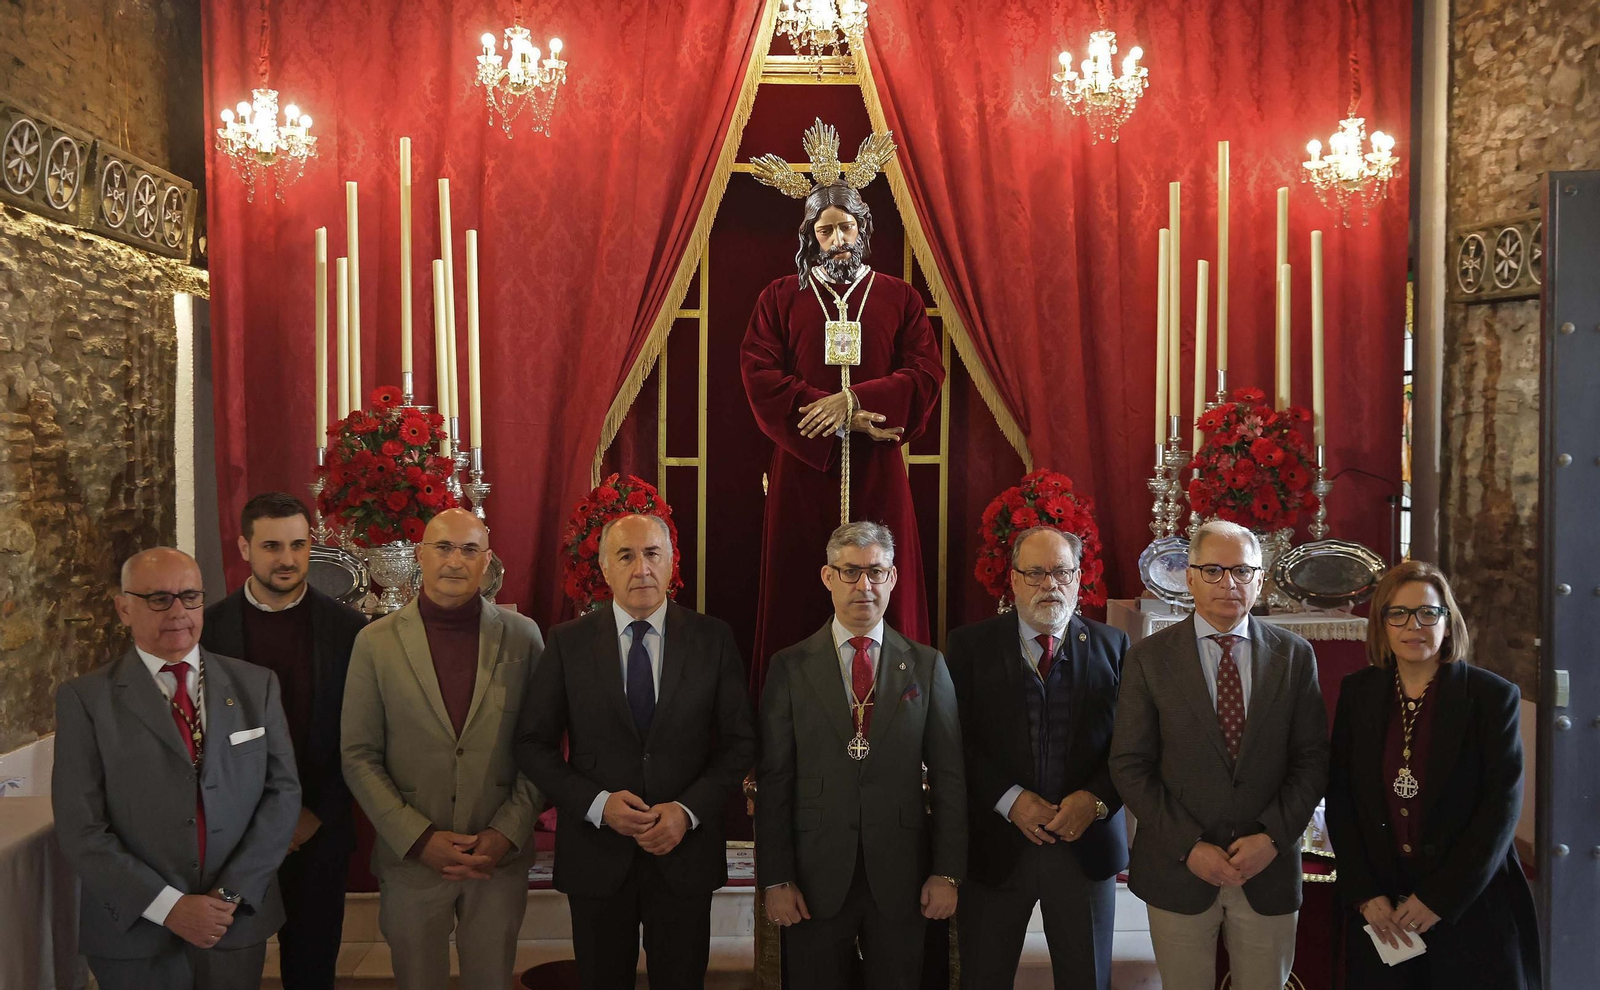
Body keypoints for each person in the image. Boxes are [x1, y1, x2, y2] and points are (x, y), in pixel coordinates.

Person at [742, 120, 945, 693]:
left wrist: (855, 401)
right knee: (799, 591)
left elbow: (926, 372)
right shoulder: (781, 298)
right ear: (811, 234)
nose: (837, 238)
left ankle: (898, 718)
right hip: (804, 472)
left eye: (847, 226)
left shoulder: (899, 297)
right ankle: (792, 722)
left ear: (864, 231)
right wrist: (826, 417)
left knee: (886, 588)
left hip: (880, 468)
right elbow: (759, 373)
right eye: (826, 228)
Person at [515, 512, 756, 990]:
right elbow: (531, 745)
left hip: (684, 856)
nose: (641, 568)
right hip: (597, 858)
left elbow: (739, 744)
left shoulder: (714, 639)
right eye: (626, 555)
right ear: (605, 568)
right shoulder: (567, 643)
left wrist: (687, 812)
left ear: (671, 563)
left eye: (652, 554)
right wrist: (599, 806)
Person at [53, 547, 300, 990]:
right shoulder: (86, 701)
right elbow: (81, 828)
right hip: (134, 929)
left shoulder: (255, 685)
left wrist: (228, 896)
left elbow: (282, 795)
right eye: (159, 599)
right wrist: (169, 906)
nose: (178, 612)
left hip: (232, 922)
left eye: (190, 597)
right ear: (123, 608)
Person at [1109, 520, 1328, 990]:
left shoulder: (1295, 656)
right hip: (1178, 867)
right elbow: (1130, 764)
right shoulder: (1148, 658)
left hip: (1266, 868)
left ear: (1260, 580)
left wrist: (1271, 838)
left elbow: (1312, 759)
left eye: (1242, 571)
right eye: (1213, 570)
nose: (1229, 583)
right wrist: (1189, 846)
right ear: (1188, 578)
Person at [755, 521, 965, 990]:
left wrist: (947, 871)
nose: (863, 585)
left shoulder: (927, 666)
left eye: (875, 571)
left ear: (893, 579)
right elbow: (775, 780)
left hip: (903, 875)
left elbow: (950, 778)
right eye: (850, 572)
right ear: (828, 578)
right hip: (813, 875)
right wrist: (776, 877)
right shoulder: (789, 666)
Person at [340, 508, 543, 990]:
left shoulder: (523, 638)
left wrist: (505, 832)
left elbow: (542, 748)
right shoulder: (375, 643)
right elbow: (358, 754)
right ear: (420, 556)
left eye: (470, 549)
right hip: (412, 862)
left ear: (487, 561)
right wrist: (417, 838)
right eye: (443, 547)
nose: (456, 560)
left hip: (497, 862)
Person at [1325, 561, 1540, 988]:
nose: (1414, 626)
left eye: (1428, 612)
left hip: (1469, 901)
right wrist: (1365, 893)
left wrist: (1439, 898)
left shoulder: (1491, 697)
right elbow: (1342, 795)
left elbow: (1500, 809)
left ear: (1447, 619)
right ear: (1382, 623)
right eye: (1398, 613)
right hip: (1382, 906)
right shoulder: (1359, 692)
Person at [944, 526, 1128, 989]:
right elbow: (953, 741)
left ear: (1079, 577)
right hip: (996, 848)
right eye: (1036, 573)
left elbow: (1134, 745)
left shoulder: (1115, 647)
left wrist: (1097, 799)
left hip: (1084, 849)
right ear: (1013, 579)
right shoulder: (969, 647)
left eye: (1062, 572)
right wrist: (1009, 800)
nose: (1051, 585)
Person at [201, 492, 366, 990]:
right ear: (245, 548)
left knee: (313, 966)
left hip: (318, 825)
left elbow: (360, 732)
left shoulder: (350, 629)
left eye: (298, 545)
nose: (288, 559)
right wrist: (258, 816)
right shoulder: (207, 629)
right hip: (232, 830)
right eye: (272, 546)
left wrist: (312, 812)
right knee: (226, 966)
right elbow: (198, 737)